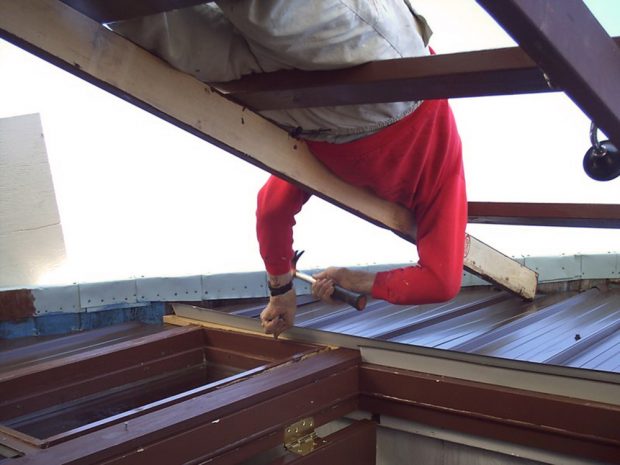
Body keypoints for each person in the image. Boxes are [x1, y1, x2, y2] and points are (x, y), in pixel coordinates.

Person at [111, 0, 467, 338]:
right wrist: (355, 280)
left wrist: (281, 291)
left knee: (160, 23)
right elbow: (442, 281)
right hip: (396, 88)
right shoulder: (442, 179)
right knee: (206, 24)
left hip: (313, 114)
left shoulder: (332, 174)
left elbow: (273, 206)